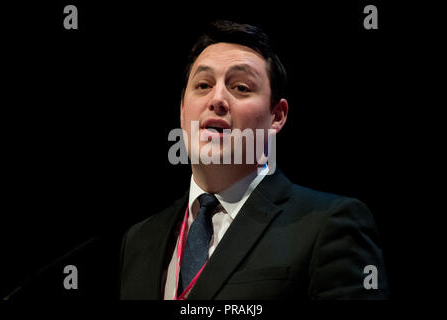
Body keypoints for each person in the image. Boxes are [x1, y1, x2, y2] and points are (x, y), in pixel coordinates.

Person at [119, 20, 389, 300]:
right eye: (203, 85)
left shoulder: (329, 224)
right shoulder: (140, 239)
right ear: (182, 111)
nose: (217, 99)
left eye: (241, 87)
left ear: (277, 116)